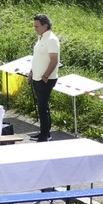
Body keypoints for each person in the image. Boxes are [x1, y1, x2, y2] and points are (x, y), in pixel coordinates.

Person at [28, 14, 60, 142]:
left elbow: (54, 60)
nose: (35, 28)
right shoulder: (41, 38)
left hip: (46, 79)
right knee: (41, 107)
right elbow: (37, 58)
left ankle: (45, 135)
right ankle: (43, 132)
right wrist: (31, 72)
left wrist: (46, 76)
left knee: (43, 106)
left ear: (45, 26)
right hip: (37, 77)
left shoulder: (51, 39)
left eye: (37, 26)